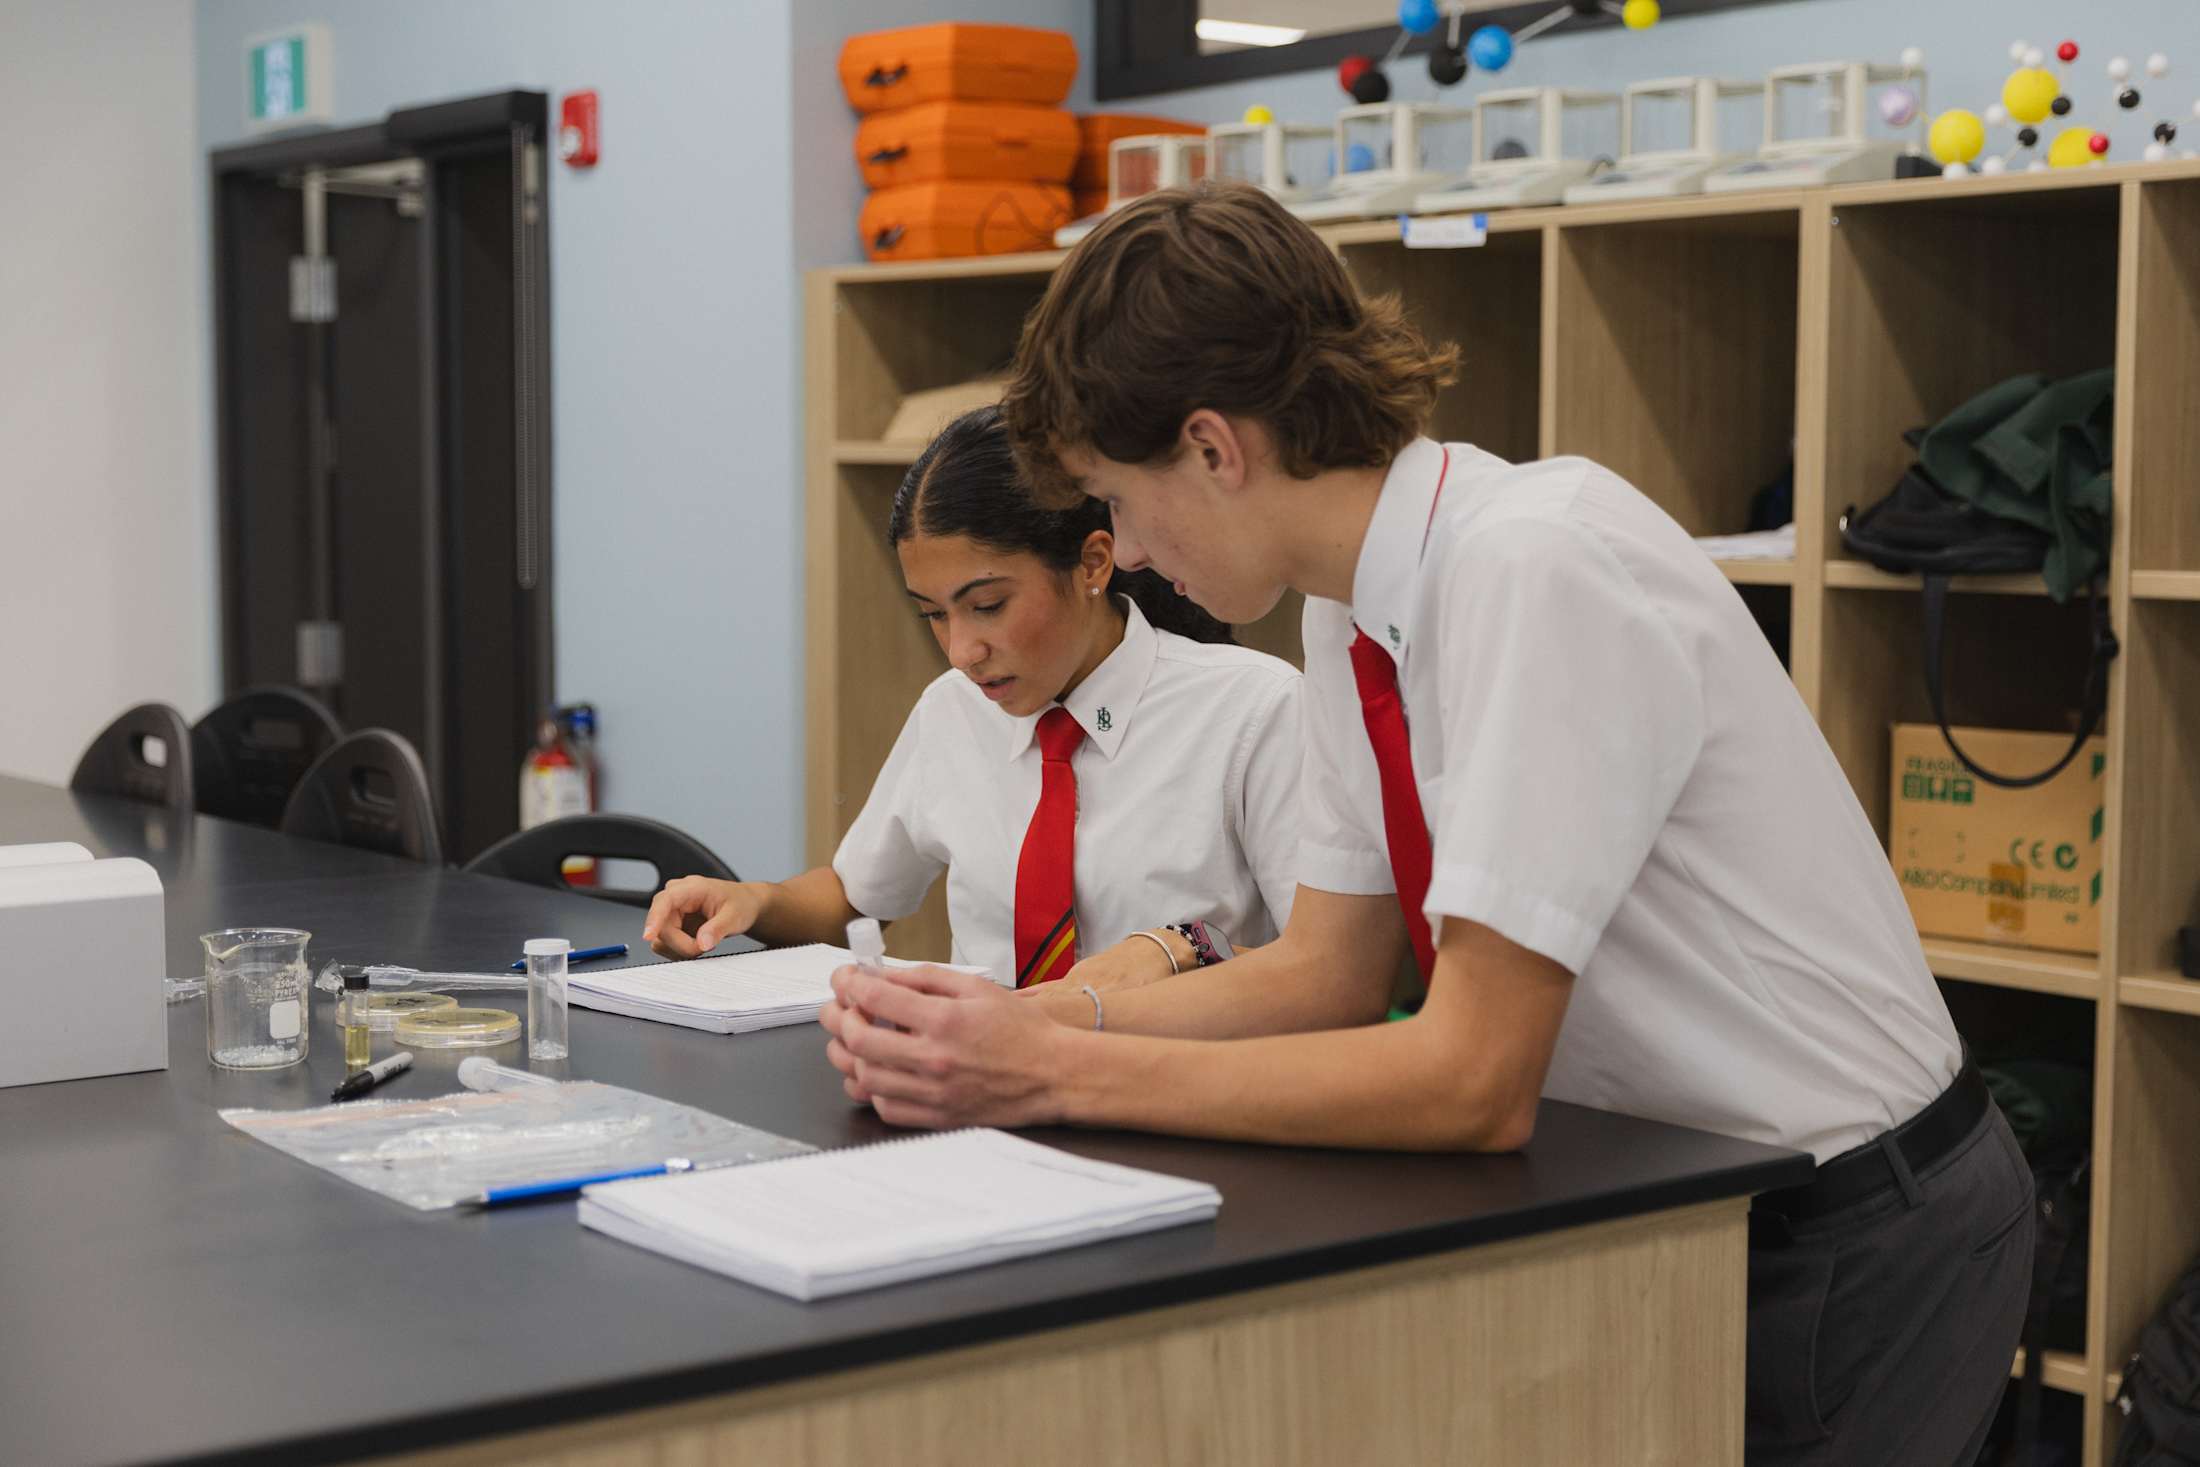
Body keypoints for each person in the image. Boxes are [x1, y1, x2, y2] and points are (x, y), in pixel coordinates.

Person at [818, 184, 2032, 1467]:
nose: (1121, 542)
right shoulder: (1348, 618)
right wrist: (1016, 1023)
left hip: (1861, 1223)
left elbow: (1472, 1076)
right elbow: (1329, 974)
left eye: (1117, 497)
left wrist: (1053, 1074)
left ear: (1215, 448)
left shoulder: (1531, 564)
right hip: (1675, 1200)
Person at [645, 404, 1302, 992]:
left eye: (987, 605)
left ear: (1095, 562)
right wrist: (755, 900)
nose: (962, 650)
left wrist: (1179, 950)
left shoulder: (1255, 711)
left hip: (1177, 1092)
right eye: (933, 613)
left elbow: (1330, 973)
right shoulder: (952, 710)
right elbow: (857, 895)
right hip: (982, 1090)